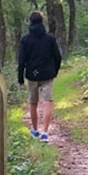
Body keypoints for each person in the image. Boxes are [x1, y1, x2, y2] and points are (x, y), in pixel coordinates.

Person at [17, 11, 62, 142]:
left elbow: (21, 61)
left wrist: (20, 78)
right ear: (42, 22)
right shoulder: (50, 38)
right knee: (47, 101)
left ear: (30, 22)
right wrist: (55, 70)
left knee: (33, 102)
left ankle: (35, 130)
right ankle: (45, 132)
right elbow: (58, 57)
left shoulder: (25, 40)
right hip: (48, 74)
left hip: (32, 75)